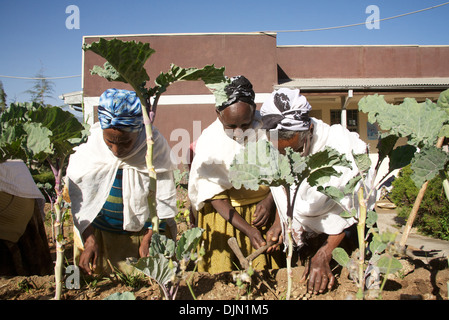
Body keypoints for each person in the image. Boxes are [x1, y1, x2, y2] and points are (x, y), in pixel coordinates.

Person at [260, 88, 375, 294]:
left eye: (295, 151)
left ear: (309, 130)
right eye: (281, 152)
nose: (288, 157)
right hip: (303, 240)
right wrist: (280, 222)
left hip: (344, 239)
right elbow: (285, 190)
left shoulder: (341, 149)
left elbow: (349, 213)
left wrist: (325, 254)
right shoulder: (271, 147)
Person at [67, 88, 177, 276]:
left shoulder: (153, 147)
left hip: (142, 239)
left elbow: (163, 199)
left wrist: (151, 237)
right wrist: (89, 239)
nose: (117, 151)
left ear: (139, 130)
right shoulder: (91, 150)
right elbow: (80, 202)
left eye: (125, 143)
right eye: (110, 143)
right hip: (99, 238)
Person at [188, 76, 284, 274]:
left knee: (266, 274)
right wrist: (248, 230)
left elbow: (283, 176)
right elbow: (213, 194)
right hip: (224, 218)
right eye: (231, 126)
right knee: (222, 277)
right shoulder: (210, 142)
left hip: (262, 215)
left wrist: (268, 201)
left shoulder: (267, 130)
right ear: (219, 114)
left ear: (253, 111)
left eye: (245, 124)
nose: (239, 133)